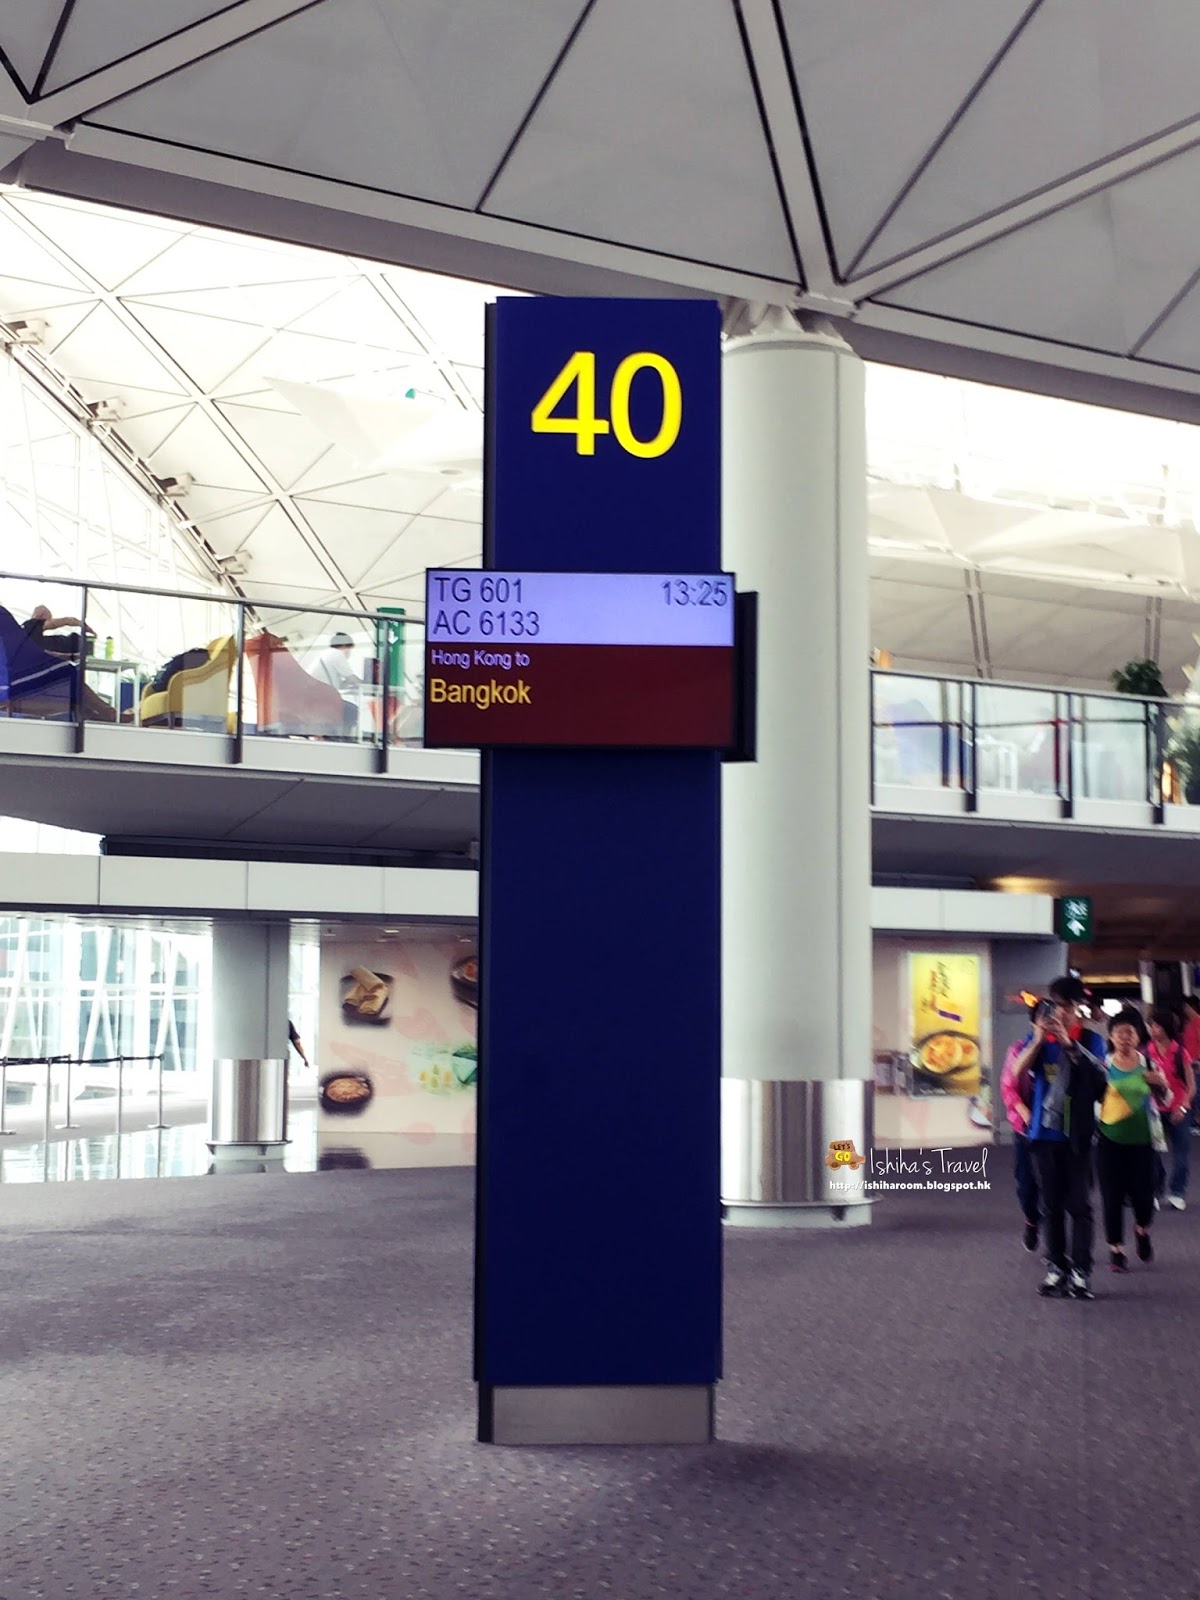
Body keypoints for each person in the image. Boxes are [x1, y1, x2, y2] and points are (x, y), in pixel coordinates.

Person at [1009, 976, 1107, 1299]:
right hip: (1043, 1134)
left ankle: (1080, 1272)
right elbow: (1016, 1072)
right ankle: (1056, 1268)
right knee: (1050, 1206)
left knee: (1079, 1206)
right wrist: (1039, 1040)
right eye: (1057, 1005)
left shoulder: (1091, 1040)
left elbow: (1098, 1080)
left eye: (1068, 1006)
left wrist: (1067, 1043)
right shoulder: (1039, 1038)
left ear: (1079, 1008)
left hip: (1077, 1135)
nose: (1061, 1012)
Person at [1097, 1009, 1170, 1273]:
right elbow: (1091, 1099)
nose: (1124, 1037)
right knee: (1111, 1196)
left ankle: (1141, 1229)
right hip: (1109, 1140)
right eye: (1119, 1032)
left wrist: (1161, 1085)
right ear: (1111, 1036)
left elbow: (1167, 1100)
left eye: (1129, 1032)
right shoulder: (1103, 1066)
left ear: (1138, 1036)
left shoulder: (1148, 1065)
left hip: (1142, 1142)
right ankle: (1116, 1250)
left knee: (1143, 1196)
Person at [1147, 1007, 1194, 1209]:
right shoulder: (1147, 1051)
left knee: (1180, 1152)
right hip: (1155, 1110)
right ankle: (1155, 1190)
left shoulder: (1180, 1052)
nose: (1152, 1029)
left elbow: (1191, 1086)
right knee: (1152, 1153)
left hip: (1178, 1109)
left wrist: (1183, 1107)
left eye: (1156, 1026)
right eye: (1151, 1025)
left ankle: (1177, 1192)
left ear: (1166, 1028)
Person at [1000, 1032, 1040, 1252]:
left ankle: (1057, 1251)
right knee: (1026, 1184)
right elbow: (1008, 1086)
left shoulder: (1063, 1048)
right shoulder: (1018, 1049)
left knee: (1056, 1189)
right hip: (1025, 1129)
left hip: (1055, 1131)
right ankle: (1031, 1220)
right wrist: (1023, 1111)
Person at [312, 632, 360, 735]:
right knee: (352, 710)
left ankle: (336, 735)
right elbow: (351, 678)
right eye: (350, 649)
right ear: (345, 646)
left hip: (315, 696)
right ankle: (343, 737)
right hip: (322, 699)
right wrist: (365, 683)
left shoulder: (326, 653)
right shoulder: (337, 654)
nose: (350, 653)